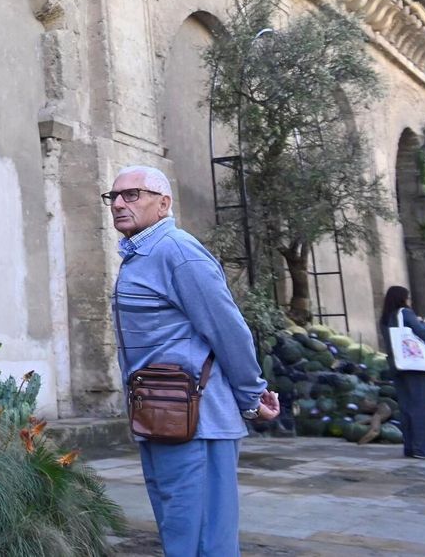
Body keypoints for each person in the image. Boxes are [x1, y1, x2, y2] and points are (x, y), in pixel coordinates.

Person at [109, 165, 279, 557]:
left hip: (195, 421)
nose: (118, 203)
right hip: (159, 417)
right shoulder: (142, 254)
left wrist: (252, 397)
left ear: (163, 203)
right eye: (114, 196)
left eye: (132, 194)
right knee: (181, 534)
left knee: (203, 540)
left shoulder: (177, 251)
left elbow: (227, 329)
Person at [379, 286, 425, 460]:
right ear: (403, 299)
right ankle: (424, 449)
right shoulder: (405, 313)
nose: (410, 301)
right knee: (421, 406)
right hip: (414, 366)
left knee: (406, 407)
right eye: (408, 297)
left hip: (397, 365)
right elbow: (424, 334)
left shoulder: (385, 318)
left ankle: (410, 447)